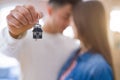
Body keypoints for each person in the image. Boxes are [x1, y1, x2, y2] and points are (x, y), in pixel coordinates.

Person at [0, 0, 79, 80]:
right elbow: (6, 50)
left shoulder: (72, 44)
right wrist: (14, 32)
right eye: (66, 17)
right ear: (50, 10)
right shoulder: (27, 37)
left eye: (73, 19)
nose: (69, 23)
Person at [58, 1, 114, 80]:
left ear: (83, 22)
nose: (70, 24)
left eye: (73, 20)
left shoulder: (99, 68)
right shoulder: (75, 55)